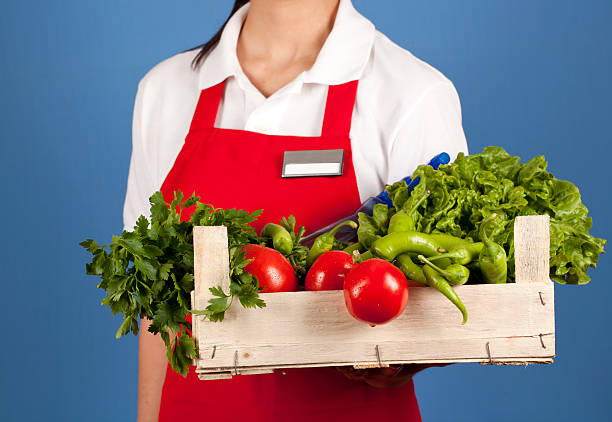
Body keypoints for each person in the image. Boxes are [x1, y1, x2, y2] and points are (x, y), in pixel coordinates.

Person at [124, 0, 468, 421]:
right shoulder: (166, 91)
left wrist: (402, 358)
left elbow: (447, 303)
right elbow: (157, 312)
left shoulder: (411, 94)